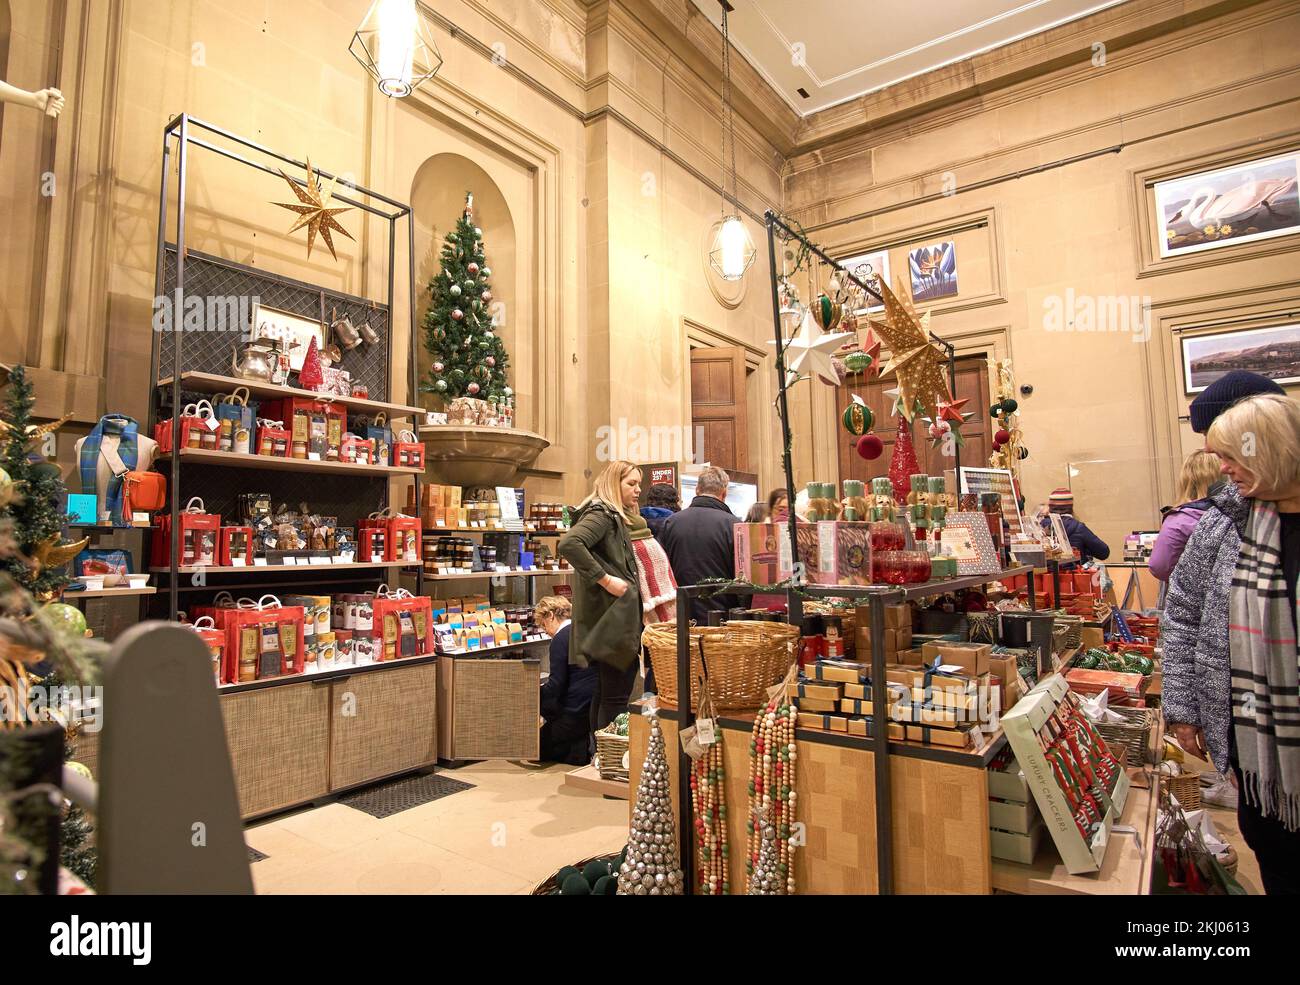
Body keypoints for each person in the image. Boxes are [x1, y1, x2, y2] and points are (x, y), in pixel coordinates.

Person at [1164, 394, 1300, 894]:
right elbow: (1181, 614)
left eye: (1231, 456)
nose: (1222, 469)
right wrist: (1184, 708)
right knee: (1273, 845)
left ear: (1272, 450)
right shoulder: (1220, 526)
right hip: (1254, 737)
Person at [558, 461, 644, 735]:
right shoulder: (602, 514)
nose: (638, 490)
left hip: (610, 620)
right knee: (616, 697)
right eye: (631, 483)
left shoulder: (611, 515)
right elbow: (570, 543)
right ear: (613, 483)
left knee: (607, 694)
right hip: (613, 621)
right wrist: (606, 580)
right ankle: (608, 761)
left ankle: (599, 757)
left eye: (639, 484)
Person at [660, 466, 742, 624]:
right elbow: (743, 579)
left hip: (681, 617)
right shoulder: (734, 525)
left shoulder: (671, 523)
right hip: (722, 618)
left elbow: (663, 571)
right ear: (724, 493)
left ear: (697, 490)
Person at [536, 596, 595, 765]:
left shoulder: (560, 639)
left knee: (536, 746)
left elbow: (556, 685)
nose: (545, 630)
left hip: (573, 712)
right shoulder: (584, 630)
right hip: (591, 708)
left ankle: (576, 751)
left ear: (551, 616)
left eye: (544, 624)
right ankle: (579, 748)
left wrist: (534, 695)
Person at [1149, 450, 1221, 583]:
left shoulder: (1180, 520)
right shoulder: (1234, 513)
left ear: (1186, 479)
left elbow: (1159, 567)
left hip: (1189, 597)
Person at [1039, 488, 1110, 564]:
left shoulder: (1040, 527)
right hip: (1074, 574)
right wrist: (1086, 549)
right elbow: (1104, 553)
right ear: (1071, 507)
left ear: (1050, 507)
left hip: (1045, 575)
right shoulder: (1079, 528)